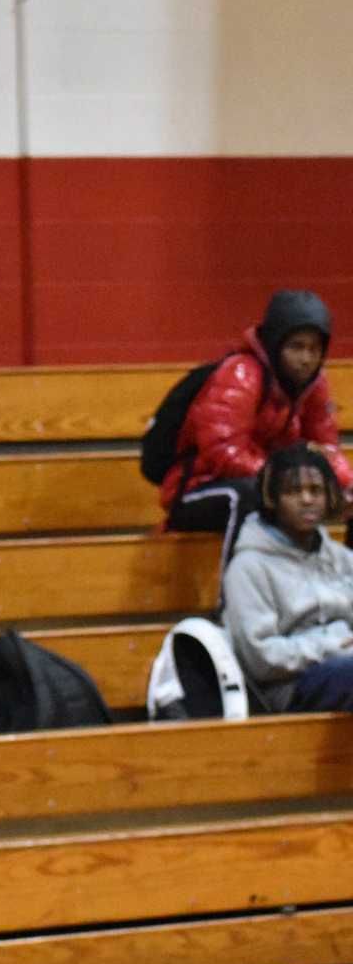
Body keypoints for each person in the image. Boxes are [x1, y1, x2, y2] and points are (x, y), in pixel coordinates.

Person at [163, 289, 351, 567]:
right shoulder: (241, 375)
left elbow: (325, 450)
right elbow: (223, 453)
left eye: (314, 349)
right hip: (200, 488)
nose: (306, 358)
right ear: (276, 344)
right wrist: (284, 481)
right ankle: (236, 593)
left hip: (270, 483)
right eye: (296, 347)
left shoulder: (314, 384)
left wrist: (345, 482)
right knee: (249, 497)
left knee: (337, 494)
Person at [223, 444, 353, 712]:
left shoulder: (342, 557)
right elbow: (261, 659)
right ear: (273, 499)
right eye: (293, 491)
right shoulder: (248, 567)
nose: (307, 500)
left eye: (315, 491)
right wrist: (330, 646)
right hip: (289, 686)